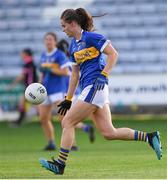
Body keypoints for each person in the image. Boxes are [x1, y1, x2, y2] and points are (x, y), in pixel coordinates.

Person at [39, 8, 162, 175]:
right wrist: (68, 98)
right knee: (109, 133)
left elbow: (113, 54)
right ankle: (149, 137)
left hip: (95, 87)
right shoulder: (73, 46)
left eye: (64, 26)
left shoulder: (92, 37)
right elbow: (74, 74)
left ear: (73, 23)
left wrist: (104, 75)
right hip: (90, 89)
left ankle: (60, 164)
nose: (63, 29)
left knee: (67, 122)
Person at [39, 32, 95, 151]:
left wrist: (49, 69)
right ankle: (51, 142)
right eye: (46, 39)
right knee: (43, 118)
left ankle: (73, 144)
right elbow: (43, 73)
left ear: (55, 41)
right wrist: (39, 84)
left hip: (58, 90)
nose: (48, 41)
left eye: (50, 39)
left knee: (64, 118)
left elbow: (65, 72)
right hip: (45, 90)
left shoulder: (60, 55)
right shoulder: (43, 55)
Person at [9, 48, 38, 127]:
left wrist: (13, 84)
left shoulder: (28, 63)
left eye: (22, 53)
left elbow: (22, 76)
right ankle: (43, 119)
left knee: (24, 102)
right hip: (32, 86)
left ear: (26, 54)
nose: (21, 55)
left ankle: (19, 121)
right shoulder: (31, 63)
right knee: (35, 103)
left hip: (30, 87)